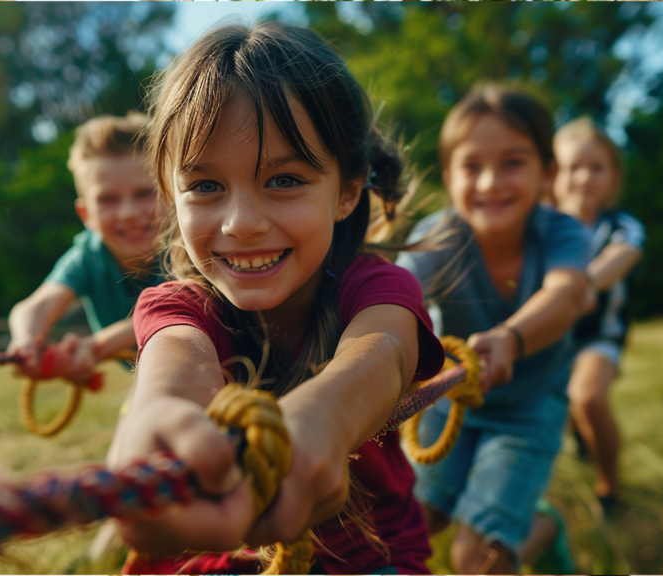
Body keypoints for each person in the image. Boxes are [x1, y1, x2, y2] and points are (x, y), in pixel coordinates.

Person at [105, 21, 447, 575]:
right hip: (217, 559)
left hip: (368, 559)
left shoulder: (378, 287)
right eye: (206, 186)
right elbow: (178, 363)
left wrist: (328, 415)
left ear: (349, 190)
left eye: (284, 180)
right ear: (171, 195)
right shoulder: (177, 308)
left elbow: (384, 350)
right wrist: (160, 412)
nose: (241, 224)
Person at [394, 83, 591, 574]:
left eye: (512, 163)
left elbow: (565, 296)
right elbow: (394, 303)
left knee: (475, 558)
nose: (489, 183)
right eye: (471, 166)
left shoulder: (563, 233)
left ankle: (539, 530)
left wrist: (511, 338)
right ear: (448, 176)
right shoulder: (437, 238)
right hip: (451, 398)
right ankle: (522, 521)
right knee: (415, 519)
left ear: (548, 173)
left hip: (528, 408)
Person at [6, 113, 161, 385]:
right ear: (85, 213)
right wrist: (26, 339)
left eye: (144, 193)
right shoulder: (88, 255)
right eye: (108, 199)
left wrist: (97, 345)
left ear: (170, 193)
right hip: (158, 377)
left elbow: (169, 311)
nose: (128, 212)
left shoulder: (188, 247)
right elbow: (38, 305)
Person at [552, 117, 644, 515]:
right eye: (573, 167)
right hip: (551, 338)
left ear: (614, 176)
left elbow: (621, 257)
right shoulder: (542, 226)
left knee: (587, 397)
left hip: (599, 335)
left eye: (596, 167)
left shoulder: (621, 226)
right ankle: (576, 436)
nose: (584, 177)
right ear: (553, 175)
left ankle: (610, 488)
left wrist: (582, 285)